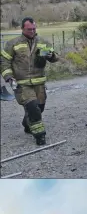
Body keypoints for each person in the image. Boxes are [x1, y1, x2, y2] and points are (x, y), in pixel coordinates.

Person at [0, 17, 59, 145]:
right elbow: (4, 62)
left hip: (39, 83)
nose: (32, 31)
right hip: (22, 84)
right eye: (29, 29)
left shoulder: (43, 42)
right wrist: (8, 77)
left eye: (34, 29)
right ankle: (40, 135)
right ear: (22, 29)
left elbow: (55, 57)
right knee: (32, 107)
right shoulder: (13, 44)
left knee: (40, 107)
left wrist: (51, 55)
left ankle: (27, 123)